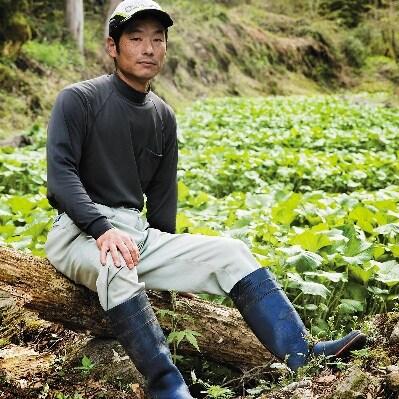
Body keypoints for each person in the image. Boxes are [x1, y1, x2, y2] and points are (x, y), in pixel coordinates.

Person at [45, 0, 366, 398]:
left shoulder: (162, 115)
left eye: (157, 40)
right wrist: (102, 229)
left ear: (165, 48)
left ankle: (304, 353)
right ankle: (168, 387)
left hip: (137, 234)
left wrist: (173, 267)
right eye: (136, 38)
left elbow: (162, 197)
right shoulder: (79, 99)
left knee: (231, 252)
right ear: (113, 47)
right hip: (80, 233)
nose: (148, 48)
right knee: (115, 263)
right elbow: (60, 177)